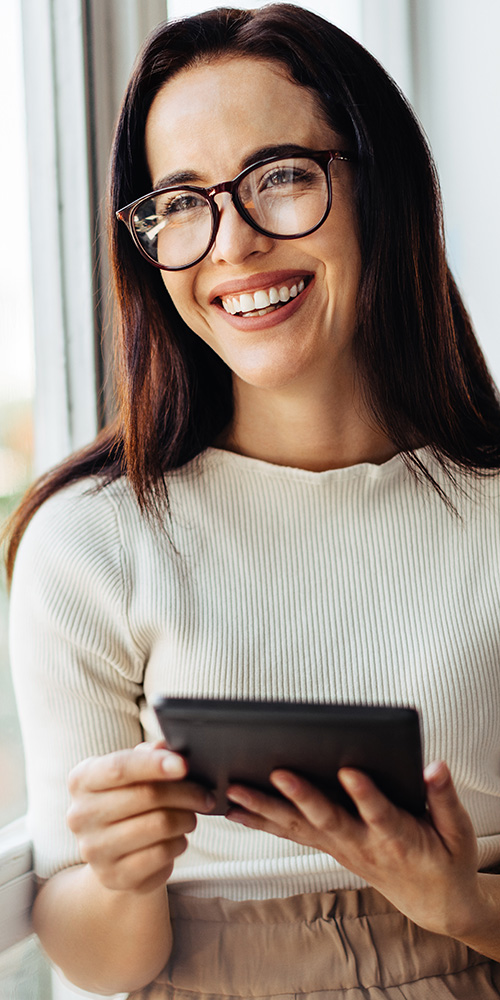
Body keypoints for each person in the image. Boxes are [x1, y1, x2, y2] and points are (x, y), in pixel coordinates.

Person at [6, 4, 500, 997]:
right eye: (180, 203)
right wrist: (121, 870)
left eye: (278, 177)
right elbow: (102, 960)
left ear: (379, 188)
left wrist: (458, 902)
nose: (228, 244)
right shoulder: (88, 539)